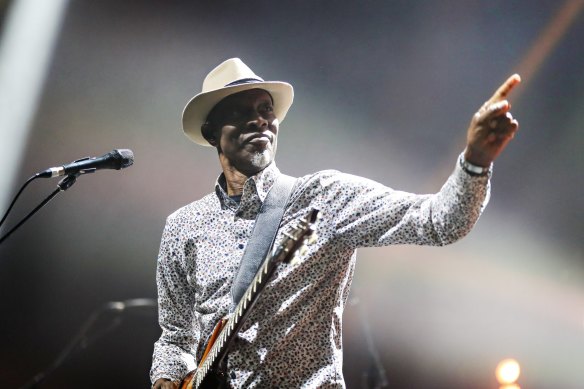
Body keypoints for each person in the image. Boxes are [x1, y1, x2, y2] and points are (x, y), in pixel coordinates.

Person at [151, 58, 520, 388]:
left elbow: (438, 222)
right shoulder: (184, 227)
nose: (258, 119)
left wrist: (475, 161)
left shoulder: (324, 197)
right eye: (240, 110)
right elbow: (176, 336)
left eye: (265, 109)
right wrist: (168, 378)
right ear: (212, 132)